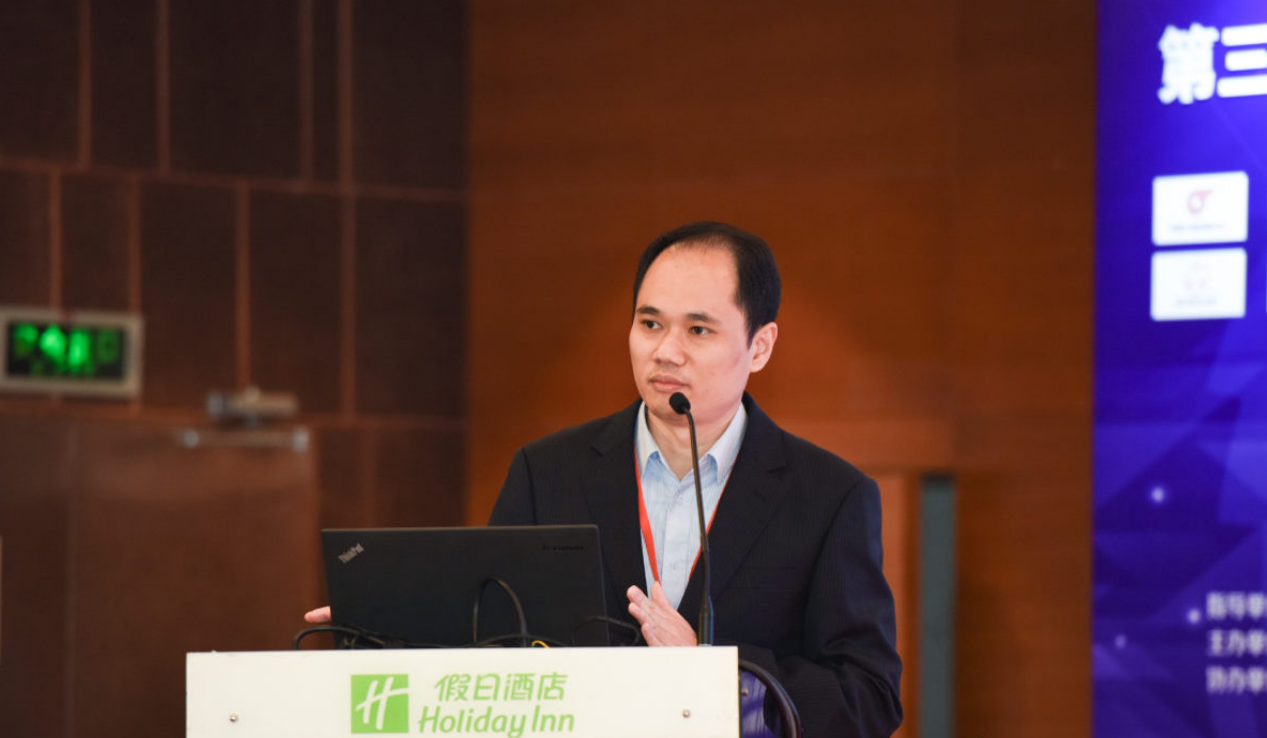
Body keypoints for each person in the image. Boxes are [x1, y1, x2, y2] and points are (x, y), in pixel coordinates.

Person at [308, 221, 902, 737]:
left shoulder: (829, 497)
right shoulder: (547, 472)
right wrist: (399, 626)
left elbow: (869, 698)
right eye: (650, 323)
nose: (666, 351)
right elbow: (492, 638)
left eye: (698, 330)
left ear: (761, 346)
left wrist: (717, 674)